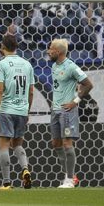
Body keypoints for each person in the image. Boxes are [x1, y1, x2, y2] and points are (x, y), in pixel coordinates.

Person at [47, 38, 94, 188]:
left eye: (51, 49)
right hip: (55, 109)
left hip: (67, 110)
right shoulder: (54, 65)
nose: (48, 51)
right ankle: (71, 175)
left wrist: (75, 101)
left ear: (59, 51)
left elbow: (88, 84)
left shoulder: (72, 67)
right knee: (56, 143)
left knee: (67, 143)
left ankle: (69, 179)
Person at [0, 35, 34, 190]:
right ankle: (25, 169)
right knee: (17, 144)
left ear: (2, 47)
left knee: (4, 146)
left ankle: (7, 183)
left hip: (7, 109)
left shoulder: (1, 64)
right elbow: (31, 91)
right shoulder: (27, 64)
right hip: (22, 110)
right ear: (16, 46)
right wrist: (27, 110)